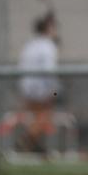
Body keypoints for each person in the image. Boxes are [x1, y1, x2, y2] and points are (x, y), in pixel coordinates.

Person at [18, 12, 60, 153]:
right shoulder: (48, 46)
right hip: (41, 88)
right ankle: (27, 140)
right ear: (48, 28)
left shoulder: (29, 45)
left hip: (26, 87)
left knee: (36, 117)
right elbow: (49, 71)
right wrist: (54, 90)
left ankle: (33, 146)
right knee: (44, 115)